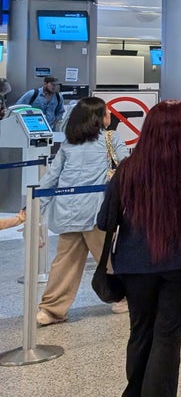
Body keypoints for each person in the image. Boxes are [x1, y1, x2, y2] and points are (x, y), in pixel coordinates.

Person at [96, 100, 181, 397]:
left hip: (135, 263)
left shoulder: (129, 168)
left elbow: (105, 221)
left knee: (141, 330)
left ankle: (135, 391)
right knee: (168, 334)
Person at [37, 97, 131, 325]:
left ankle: (51, 309)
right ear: (99, 118)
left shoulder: (68, 144)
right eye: (107, 112)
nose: (110, 115)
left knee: (64, 262)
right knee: (108, 258)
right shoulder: (110, 138)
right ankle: (124, 297)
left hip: (67, 211)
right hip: (95, 212)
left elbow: (50, 178)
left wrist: (35, 207)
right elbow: (127, 166)